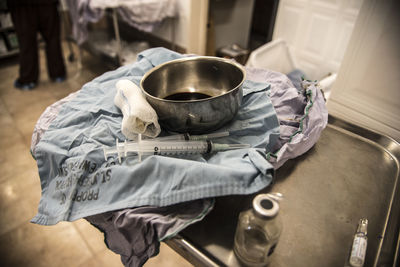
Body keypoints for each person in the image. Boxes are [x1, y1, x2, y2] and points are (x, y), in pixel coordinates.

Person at [7, 0, 66, 90]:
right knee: (52, 39)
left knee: (26, 42)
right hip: (47, 4)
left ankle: (28, 80)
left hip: (22, 6)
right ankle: (58, 74)